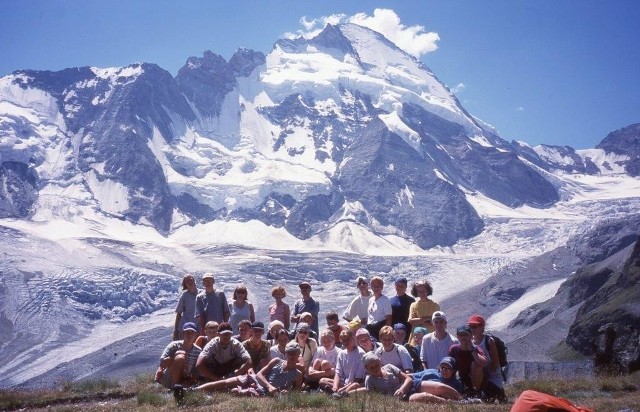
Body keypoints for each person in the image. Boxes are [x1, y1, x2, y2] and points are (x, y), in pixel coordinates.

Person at [192, 342, 303, 397]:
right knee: (227, 381)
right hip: (257, 380)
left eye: (295, 353)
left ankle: (209, 395)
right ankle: (193, 391)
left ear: (299, 354)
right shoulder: (277, 361)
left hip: (263, 392)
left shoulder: (297, 374)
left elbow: (296, 392)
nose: (292, 356)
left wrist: (287, 393)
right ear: (286, 353)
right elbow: (259, 374)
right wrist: (269, 385)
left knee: (234, 391)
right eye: (290, 353)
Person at [468, 314, 507, 403]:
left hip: (493, 377)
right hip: (479, 376)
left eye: (475, 326)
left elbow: (495, 363)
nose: (472, 329)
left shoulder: (489, 341)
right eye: (470, 327)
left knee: (485, 399)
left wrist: (484, 379)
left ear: (482, 327)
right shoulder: (470, 341)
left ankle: (497, 391)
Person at [156, 322, 202, 389]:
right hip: (169, 377)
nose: (189, 335)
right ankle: (174, 387)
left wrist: (190, 381)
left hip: (185, 378)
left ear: (195, 334)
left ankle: (181, 387)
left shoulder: (198, 351)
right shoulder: (174, 345)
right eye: (187, 332)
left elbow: (197, 370)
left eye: (192, 332)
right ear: (183, 333)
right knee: (180, 357)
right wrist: (174, 355)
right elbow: (162, 363)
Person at [321, 329, 365, 396]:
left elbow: (358, 379)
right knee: (323, 381)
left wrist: (344, 388)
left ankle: (339, 394)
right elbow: (338, 373)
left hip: (354, 383)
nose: (345, 342)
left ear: (353, 338)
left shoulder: (360, 353)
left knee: (355, 385)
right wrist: (335, 386)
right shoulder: (342, 353)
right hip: (344, 383)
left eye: (347, 339)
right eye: (343, 340)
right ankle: (337, 392)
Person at [448, 325, 488, 397]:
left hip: (476, 378)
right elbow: (450, 364)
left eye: (466, 335)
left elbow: (484, 363)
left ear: (471, 336)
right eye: (461, 335)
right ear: (457, 336)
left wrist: (472, 350)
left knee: (475, 364)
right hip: (461, 377)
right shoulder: (453, 349)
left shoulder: (476, 349)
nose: (463, 337)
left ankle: (476, 392)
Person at [173, 274, 199, 340]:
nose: (190, 282)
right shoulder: (184, 296)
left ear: (194, 281)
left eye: (191, 280)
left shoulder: (203, 294)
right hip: (186, 328)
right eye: (187, 281)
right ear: (185, 285)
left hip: (199, 328)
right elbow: (179, 313)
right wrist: (176, 330)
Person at [389, 277, 415, 342]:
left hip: (407, 331)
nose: (400, 287)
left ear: (406, 287)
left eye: (402, 285)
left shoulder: (411, 300)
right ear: (395, 286)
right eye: (398, 285)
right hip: (394, 332)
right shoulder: (390, 300)